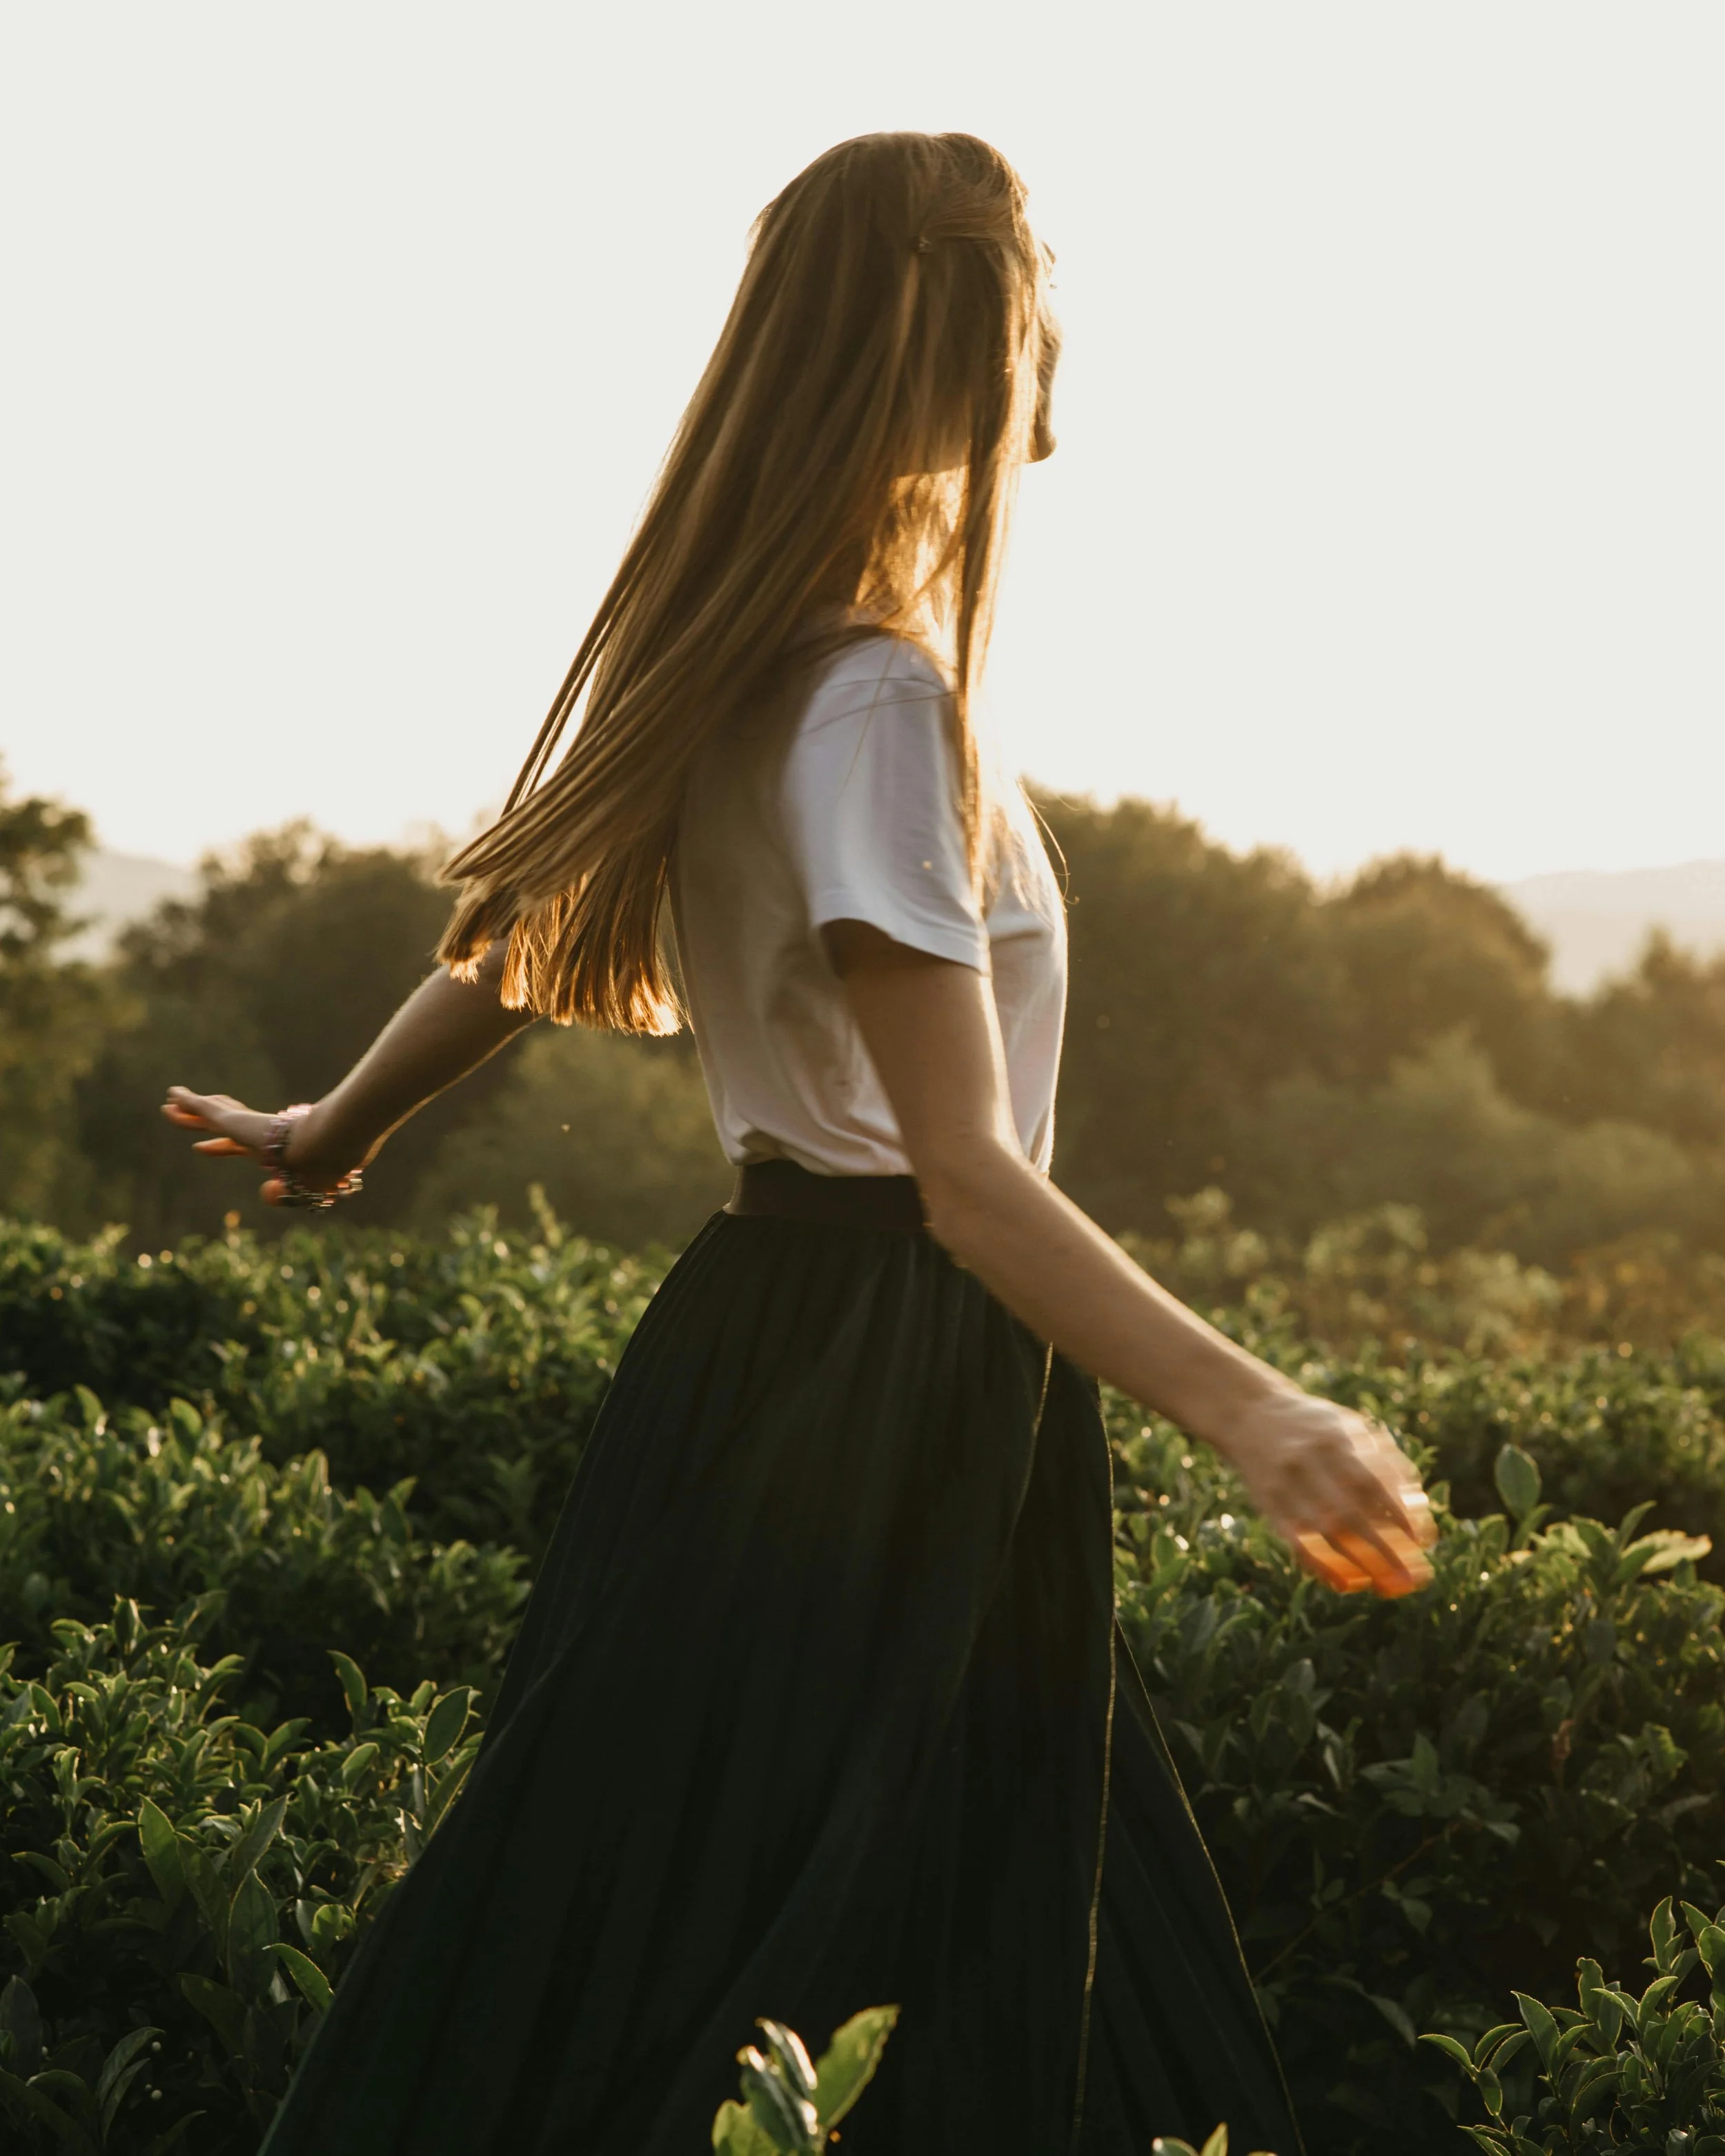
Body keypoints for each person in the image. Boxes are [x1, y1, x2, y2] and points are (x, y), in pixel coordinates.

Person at [164, 131, 1432, 2156]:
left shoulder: (752, 667)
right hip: (893, 1366)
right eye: (1047, 320)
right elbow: (964, 1176)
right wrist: (1259, 1412)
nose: (1063, 379)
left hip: (772, 1348)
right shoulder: (867, 704)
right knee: (853, 1943)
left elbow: (511, 951)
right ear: (971, 338)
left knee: (657, 1901)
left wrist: (339, 1117)